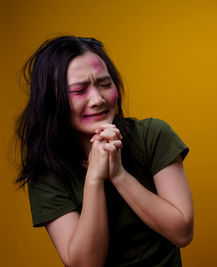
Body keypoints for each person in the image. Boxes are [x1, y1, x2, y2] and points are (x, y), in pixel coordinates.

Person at [15, 35, 193, 266]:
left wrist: (119, 175)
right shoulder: (46, 172)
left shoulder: (152, 135)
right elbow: (85, 264)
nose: (97, 99)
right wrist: (94, 179)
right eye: (79, 90)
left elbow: (182, 233)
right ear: (52, 100)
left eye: (105, 84)